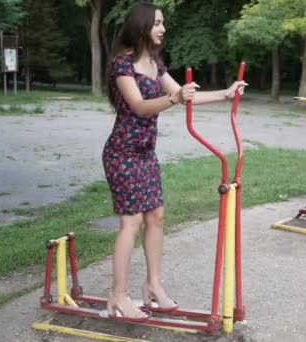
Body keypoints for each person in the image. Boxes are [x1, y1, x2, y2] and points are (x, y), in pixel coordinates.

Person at [102, 2, 247, 322]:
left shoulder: (155, 62)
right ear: (141, 26)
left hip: (145, 154)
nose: (162, 28)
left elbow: (184, 94)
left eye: (162, 23)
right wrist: (174, 98)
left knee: (156, 216)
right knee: (132, 222)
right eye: (156, 23)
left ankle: (152, 286)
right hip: (122, 155)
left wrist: (226, 92)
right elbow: (140, 106)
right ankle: (119, 295)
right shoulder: (122, 65)